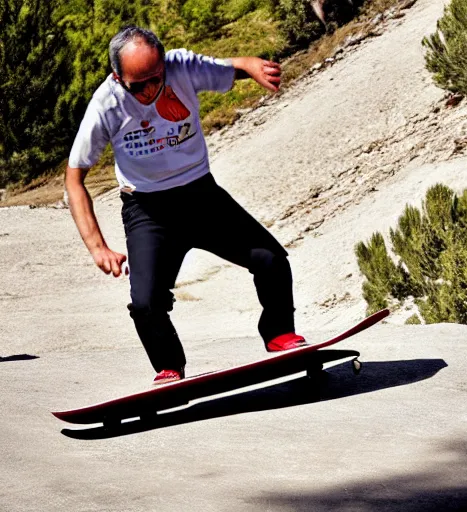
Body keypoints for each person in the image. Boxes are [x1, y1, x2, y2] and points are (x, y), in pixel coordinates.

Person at [65, 25, 306, 385]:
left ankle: (278, 333)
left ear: (163, 65)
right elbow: (74, 178)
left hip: (201, 195)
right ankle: (169, 366)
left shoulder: (180, 67)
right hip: (148, 209)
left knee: (270, 260)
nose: (149, 91)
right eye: (137, 85)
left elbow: (230, 67)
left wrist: (254, 66)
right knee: (146, 303)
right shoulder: (106, 105)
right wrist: (98, 248)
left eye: (156, 79)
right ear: (118, 77)